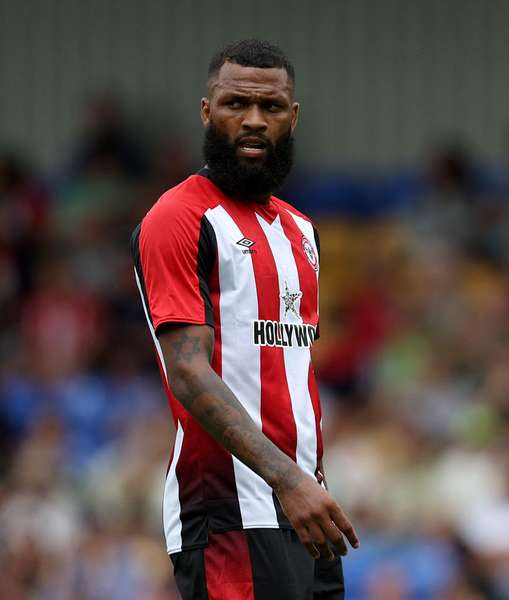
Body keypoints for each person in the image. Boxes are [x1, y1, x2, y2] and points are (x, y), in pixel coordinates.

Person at [130, 39, 358, 599]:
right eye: (236, 104)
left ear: (292, 117)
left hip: (305, 510)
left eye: (271, 106)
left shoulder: (302, 231)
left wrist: (303, 484)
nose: (254, 120)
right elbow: (189, 372)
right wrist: (287, 480)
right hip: (229, 512)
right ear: (207, 112)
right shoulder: (179, 218)